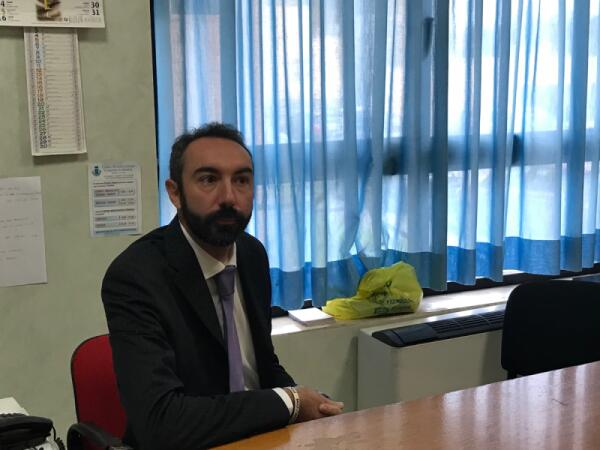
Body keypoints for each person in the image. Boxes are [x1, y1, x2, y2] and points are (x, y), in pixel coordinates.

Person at [101, 122, 344, 450]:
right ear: (175, 193)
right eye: (208, 179)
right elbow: (161, 424)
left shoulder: (252, 254)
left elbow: (262, 366)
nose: (229, 197)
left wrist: (308, 405)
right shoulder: (136, 277)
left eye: (241, 180)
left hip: (261, 438)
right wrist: (290, 401)